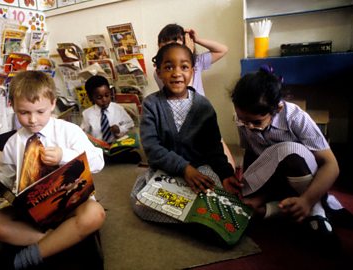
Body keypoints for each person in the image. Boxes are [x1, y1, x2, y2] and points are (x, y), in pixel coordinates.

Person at [0, 70, 105, 270]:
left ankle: (29, 256)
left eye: (40, 112)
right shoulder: (13, 143)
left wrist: (64, 155)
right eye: (24, 112)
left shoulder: (69, 130)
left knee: (95, 213)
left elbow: (98, 161)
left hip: (70, 204)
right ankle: (60, 241)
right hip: (32, 213)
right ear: (12, 106)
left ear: (53, 104)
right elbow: (6, 176)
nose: (32, 120)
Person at [229, 66, 353, 249]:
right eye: (244, 120)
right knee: (249, 207)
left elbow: (331, 165)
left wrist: (307, 200)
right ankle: (296, 208)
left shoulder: (296, 118)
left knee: (288, 150)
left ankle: (316, 209)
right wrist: (250, 189)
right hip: (276, 180)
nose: (249, 126)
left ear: (278, 108)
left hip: (301, 173)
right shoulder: (243, 119)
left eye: (256, 122)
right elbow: (251, 153)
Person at [130, 43, 240, 223]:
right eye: (168, 67)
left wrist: (226, 174)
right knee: (141, 203)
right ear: (158, 72)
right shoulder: (151, 104)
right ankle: (195, 218)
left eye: (184, 67)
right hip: (164, 170)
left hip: (200, 169)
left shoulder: (203, 106)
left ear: (193, 71)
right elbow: (152, 149)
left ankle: (194, 215)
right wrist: (184, 168)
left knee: (217, 194)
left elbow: (213, 146)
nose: (176, 73)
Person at [154, 23, 235, 169]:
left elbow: (223, 49)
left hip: (202, 117)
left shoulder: (196, 62)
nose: (170, 49)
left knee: (229, 165)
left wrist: (197, 40)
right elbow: (184, 91)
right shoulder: (160, 72)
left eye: (175, 43)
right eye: (164, 44)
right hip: (179, 121)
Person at [80, 75, 141, 164]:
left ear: (110, 93)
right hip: (99, 148)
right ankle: (107, 159)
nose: (104, 100)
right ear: (90, 98)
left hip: (116, 144)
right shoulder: (87, 114)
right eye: (99, 97)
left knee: (130, 152)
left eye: (107, 95)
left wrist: (119, 129)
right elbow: (83, 134)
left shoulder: (118, 108)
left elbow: (130, 124)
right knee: (92, 156)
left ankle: (108, 160)